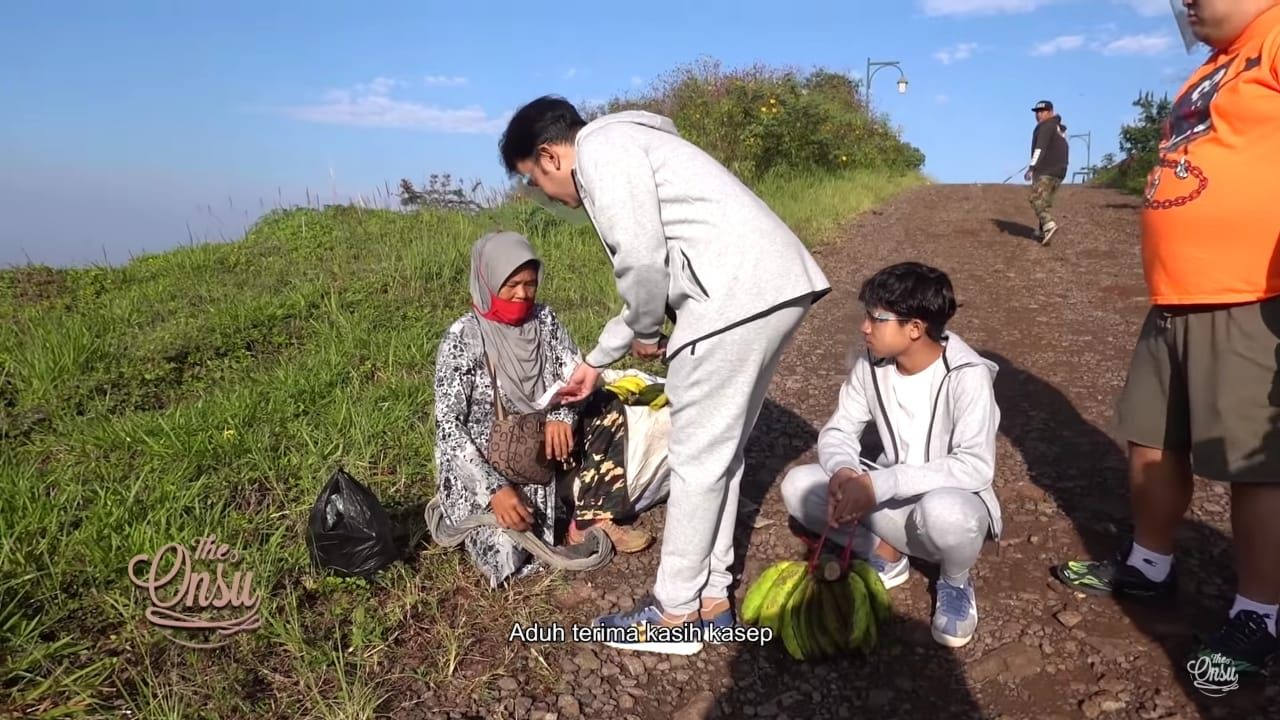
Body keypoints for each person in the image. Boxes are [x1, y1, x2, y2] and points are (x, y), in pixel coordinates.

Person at [498, 96, 831, 655]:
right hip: (767, 286)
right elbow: (654, 270)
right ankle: (711, 600)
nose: (544, 195)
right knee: (719, 452)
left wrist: (650, 331)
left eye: (532, 180)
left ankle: (673, 613)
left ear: (550, 156)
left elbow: (644, 260)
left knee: (697, 456)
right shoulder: (636, 143)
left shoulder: (601, 148)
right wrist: (596, 362)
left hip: (732, 298)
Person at [1054, 0, 1280, 679]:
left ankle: (1261, 614)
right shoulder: (1213, 64)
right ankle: (1149, 566)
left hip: (1252, 294)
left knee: (1256, 464)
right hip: (1177, 296)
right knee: (1151, 438)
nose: (1185, 1)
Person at [779, 262, 1002, 648]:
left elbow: (975, 465)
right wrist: (845, 473)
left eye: (876, 318)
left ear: (915, 328)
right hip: (889, 505)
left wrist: (879, 483)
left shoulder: (968, 375)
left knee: (947, 514)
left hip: (945, 507)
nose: (865, 327)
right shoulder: (872, 365)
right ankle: (886, 552)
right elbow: (839, 429)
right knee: (798, 485)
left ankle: (954, 581)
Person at [432, 231, 648, 588]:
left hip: (538, 448)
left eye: (530, 284)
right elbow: (449, 427)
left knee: (604, 403)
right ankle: (518, 511)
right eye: (512, 284)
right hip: (492, 465)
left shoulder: (544, 320)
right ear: (487, 281)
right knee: (509, 556)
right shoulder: (464, 338)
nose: (522, 295)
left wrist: (560, 416)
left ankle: (589, 520)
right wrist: (494, 488)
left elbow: (574, 374)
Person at [1023, 99, 1069, 245]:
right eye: (1037, 112)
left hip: (1047, 169)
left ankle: (1049, 225)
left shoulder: (1045, 126)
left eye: (1042, 112)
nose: (1038, 115)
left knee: (1035, 198)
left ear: (1050, 112)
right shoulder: (1058, 128)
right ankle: (1042, 232)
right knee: (1045, 201)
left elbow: (1040, 148)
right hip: (1060, 170)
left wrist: (1032, 167)